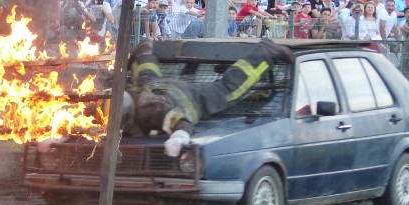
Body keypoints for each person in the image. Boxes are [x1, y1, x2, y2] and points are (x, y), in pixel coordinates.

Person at [122, 38, 294, 156]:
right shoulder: (118, 103)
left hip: (188, 97)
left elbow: (182, 122)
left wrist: (178, 138)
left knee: (226, 89)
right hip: (154, 87)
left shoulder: (151, 110)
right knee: (147, 76)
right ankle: (145, 50)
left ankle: (265, 52)